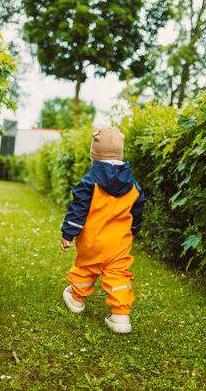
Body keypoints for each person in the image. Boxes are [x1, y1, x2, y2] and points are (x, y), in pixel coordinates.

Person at [60, 126, 145, 333]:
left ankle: (77, 300)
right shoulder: (133, 185)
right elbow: (137, 212)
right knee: (118, 274)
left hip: (93, 241)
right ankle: (120, 316)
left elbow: (78, 209)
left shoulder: (90, 181)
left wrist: (67, 234)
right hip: (119, 243)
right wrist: (133, 230)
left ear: (94, 156)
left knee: (86, 267)